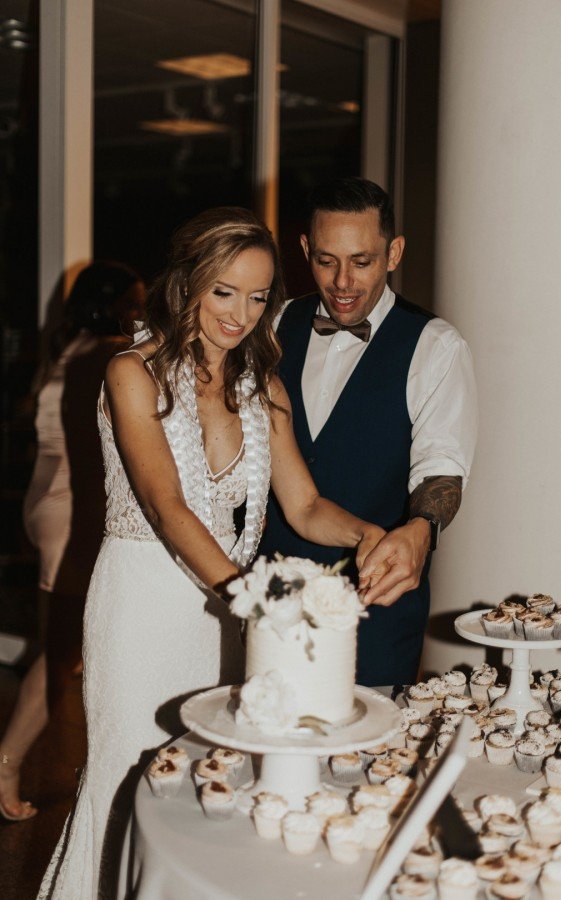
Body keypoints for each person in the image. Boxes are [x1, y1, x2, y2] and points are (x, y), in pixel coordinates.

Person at [38, 208, 386, 899]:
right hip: (143, 601)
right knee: (131, 773)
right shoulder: (132, 372)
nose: (241, 314)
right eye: (224, 291)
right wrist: (252, 601)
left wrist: (369, 535)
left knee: (207, 776)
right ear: (189, 283)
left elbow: (305, 507)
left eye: (258, 297)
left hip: (226, 607)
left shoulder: (265, 388)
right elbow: (167, 507)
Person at [259, 177, 477, 693]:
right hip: (269, 595)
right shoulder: (273, 324)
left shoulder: (436, 345)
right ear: (305, 250)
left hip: (375, 603)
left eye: (362, 261)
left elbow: (441, 466)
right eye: (326, 261)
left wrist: (422, 527)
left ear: (394, 253)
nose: (342, 282)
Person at [0, 262, 144, 823]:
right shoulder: (109, 353)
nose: (140, 311)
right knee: (62, 651)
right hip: (70, 507)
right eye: (135, 301)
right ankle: (8, 760)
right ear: (113, 306)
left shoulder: (69, 348)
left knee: (67, 643)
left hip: (45, 500)